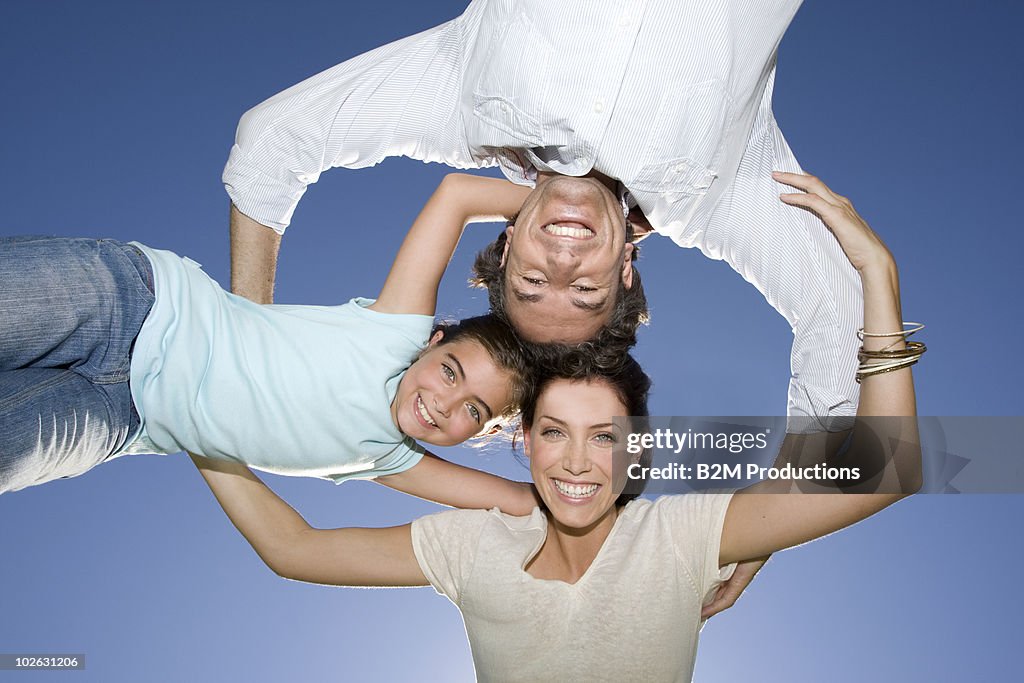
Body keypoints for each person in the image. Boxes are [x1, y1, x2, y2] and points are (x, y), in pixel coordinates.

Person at [194, 174, 923, 681]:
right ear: (524, 442)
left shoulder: (680, 537)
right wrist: (195, 419)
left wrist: (875, 274)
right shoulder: (473, 545)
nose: (577, 461)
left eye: (604, 436)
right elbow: (293, 549)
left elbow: (888, 467)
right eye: (554, 433)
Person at [0, 174, 539, 516]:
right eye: (450, 371)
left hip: (119, 418)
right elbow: (457, 195)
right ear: (432, 341)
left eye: (474, 409)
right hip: (132, 302)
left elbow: (525, 500)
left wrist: (622, 469)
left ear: (484, 433)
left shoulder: (391, 459)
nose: (444, 403)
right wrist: (588, 218)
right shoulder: (394, 332)